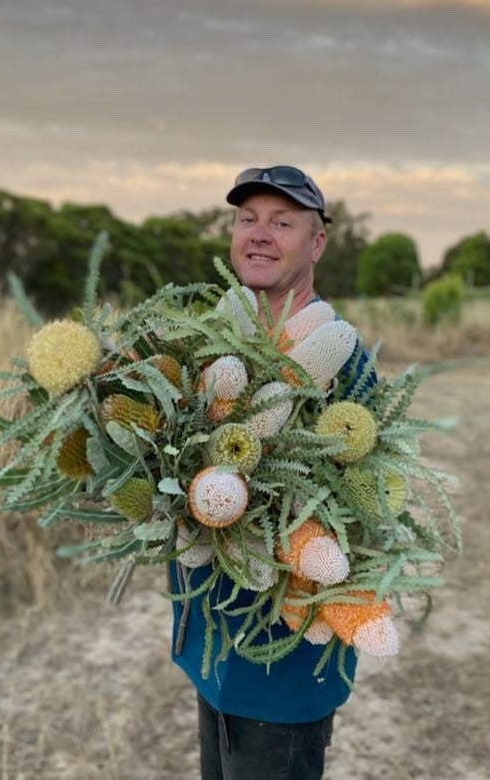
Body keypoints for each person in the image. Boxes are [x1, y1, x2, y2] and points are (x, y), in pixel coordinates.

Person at [170, 165, 376, 780]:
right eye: (246, 219)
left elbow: (366, 510)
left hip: (281, 664)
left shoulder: (341, 360)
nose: (258, 234)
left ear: (317, 243)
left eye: (282, 222)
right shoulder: (209, 340)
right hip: (212, 648)